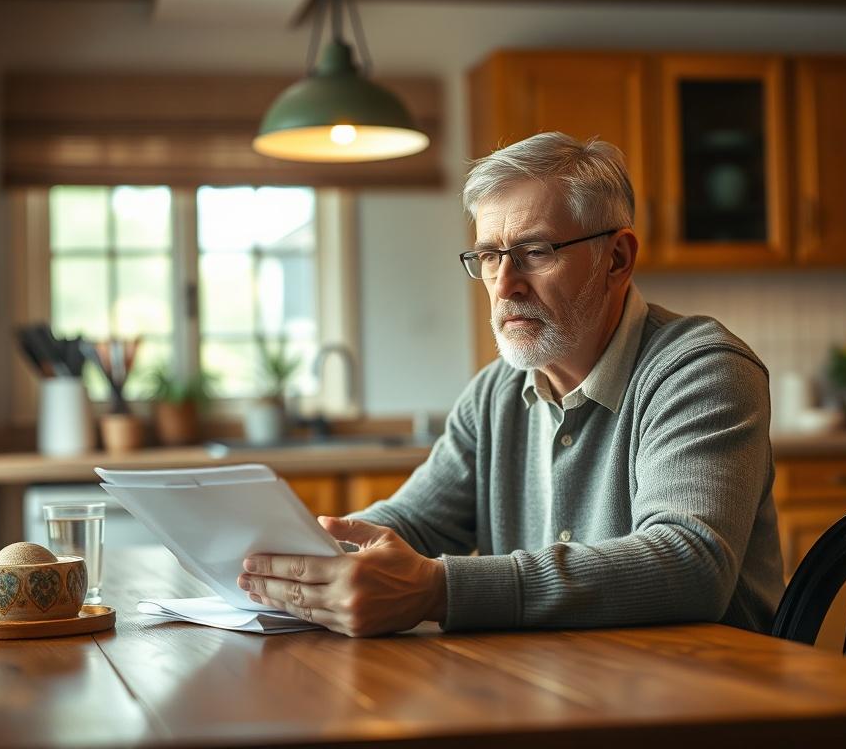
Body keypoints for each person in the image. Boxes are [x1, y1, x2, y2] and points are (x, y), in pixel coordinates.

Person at [239, 131, 785, 637]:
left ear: (616, 258)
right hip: (553, 690)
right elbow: (411, 523)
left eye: (535, 251)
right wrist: (297, 560)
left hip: (708, 700)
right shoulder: (494, 394)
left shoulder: (702, 369)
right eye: (489, 256)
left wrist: (440, 589)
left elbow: (690, 564)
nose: (504, 284)